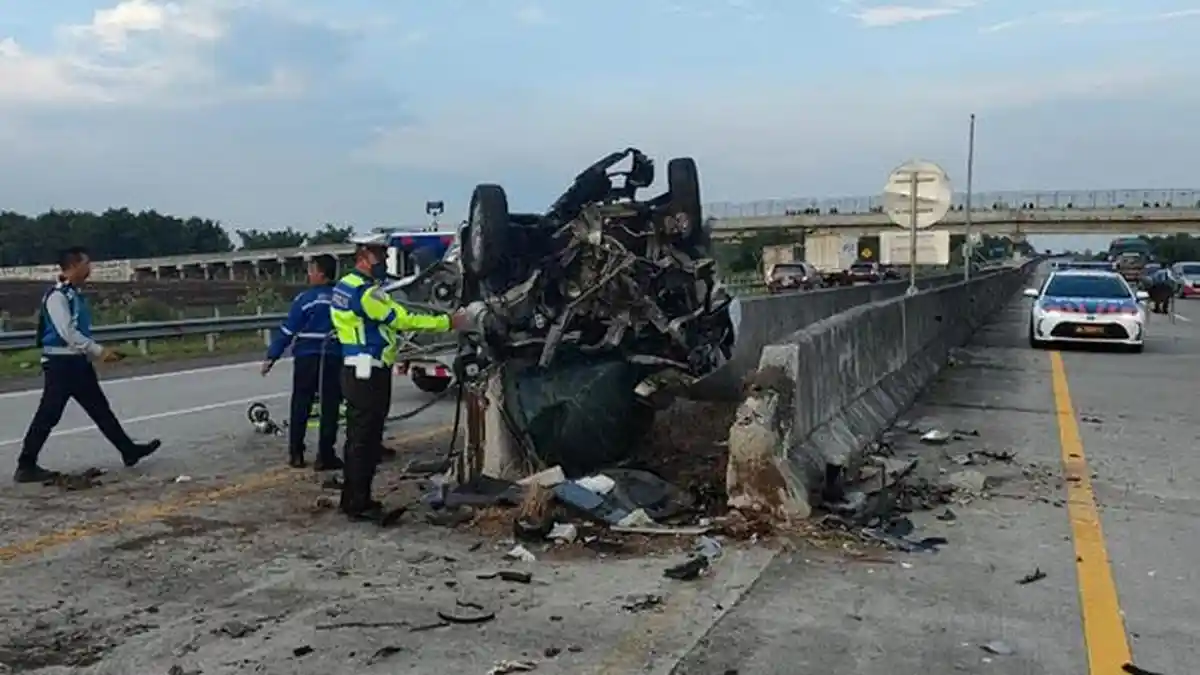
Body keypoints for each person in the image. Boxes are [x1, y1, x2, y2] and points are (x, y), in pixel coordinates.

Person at [330, 234, 471, 523]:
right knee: (366, 441)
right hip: (369, 372)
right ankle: (360, 503)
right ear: (364, 255)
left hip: (354, 368)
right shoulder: (368, 293)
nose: (382, 260)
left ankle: (352, 498)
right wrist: (448, 322)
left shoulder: (344, 286)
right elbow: (402, 318)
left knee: (357, 438)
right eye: (379, 254)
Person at [14, 247, 162, 484]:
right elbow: (67, 333)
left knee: (100, 409)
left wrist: (93, 354)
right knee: (48, 415)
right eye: (86, 264)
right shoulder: (58, 296)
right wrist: (99, 351)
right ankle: (26, 465)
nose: (90, 269)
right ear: (73, 266)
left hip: (76, 363)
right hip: (61, 365)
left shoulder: (74, 295)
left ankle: (128, 450)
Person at [261, 254, 344, 471]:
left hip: (307, 357)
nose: (308, 275)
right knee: (330, 407)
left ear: (321, 273)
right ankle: (325, 455)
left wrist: (272, 356)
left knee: (301, 404)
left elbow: (288, 330)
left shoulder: (305, 299)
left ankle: (296, 453)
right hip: (333, 357)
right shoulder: (342, 298)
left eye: (311, 270)